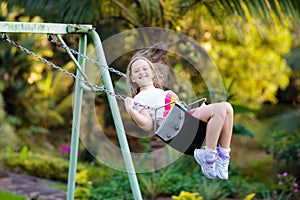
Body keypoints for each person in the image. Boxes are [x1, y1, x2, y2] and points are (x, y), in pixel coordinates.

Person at [124, 54, 233, 180]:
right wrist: (130, 110)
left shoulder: (162, 92)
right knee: (219, 109)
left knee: (227, 108)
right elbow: (147, 124)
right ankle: (209, 157)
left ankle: (223, 158)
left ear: (152, 72)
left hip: (184, 117)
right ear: (132, 78)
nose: (141, 72)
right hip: (176, 127)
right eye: (136, 71)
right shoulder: (139, 98)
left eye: (145, 69)